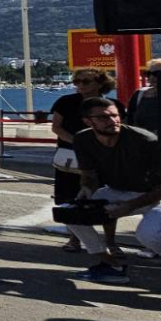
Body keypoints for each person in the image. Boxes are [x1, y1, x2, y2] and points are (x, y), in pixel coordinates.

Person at [65, 98, 161, 296]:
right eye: (103, 117)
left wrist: (130, 206)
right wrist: (86, 191)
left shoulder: (144, 140)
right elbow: (89, 175)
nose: (112, 121)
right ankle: (111, 265)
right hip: (119, 191)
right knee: (72, 215)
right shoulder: (83, 139)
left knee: (149, 235)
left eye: (115, 115)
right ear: (88, 121)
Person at [51, 68, 126, 254]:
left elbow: (119, 129)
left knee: (106, 199)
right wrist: (77, 143)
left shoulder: (112, 104)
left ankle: (111, 242)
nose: (80, 85)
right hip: (70, 158)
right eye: (77, 82)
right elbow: (57, 127)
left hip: (102, 158)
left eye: (86, 82)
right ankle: (74, 239)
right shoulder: (65, 102)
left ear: (100, 83)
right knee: (70, 198)